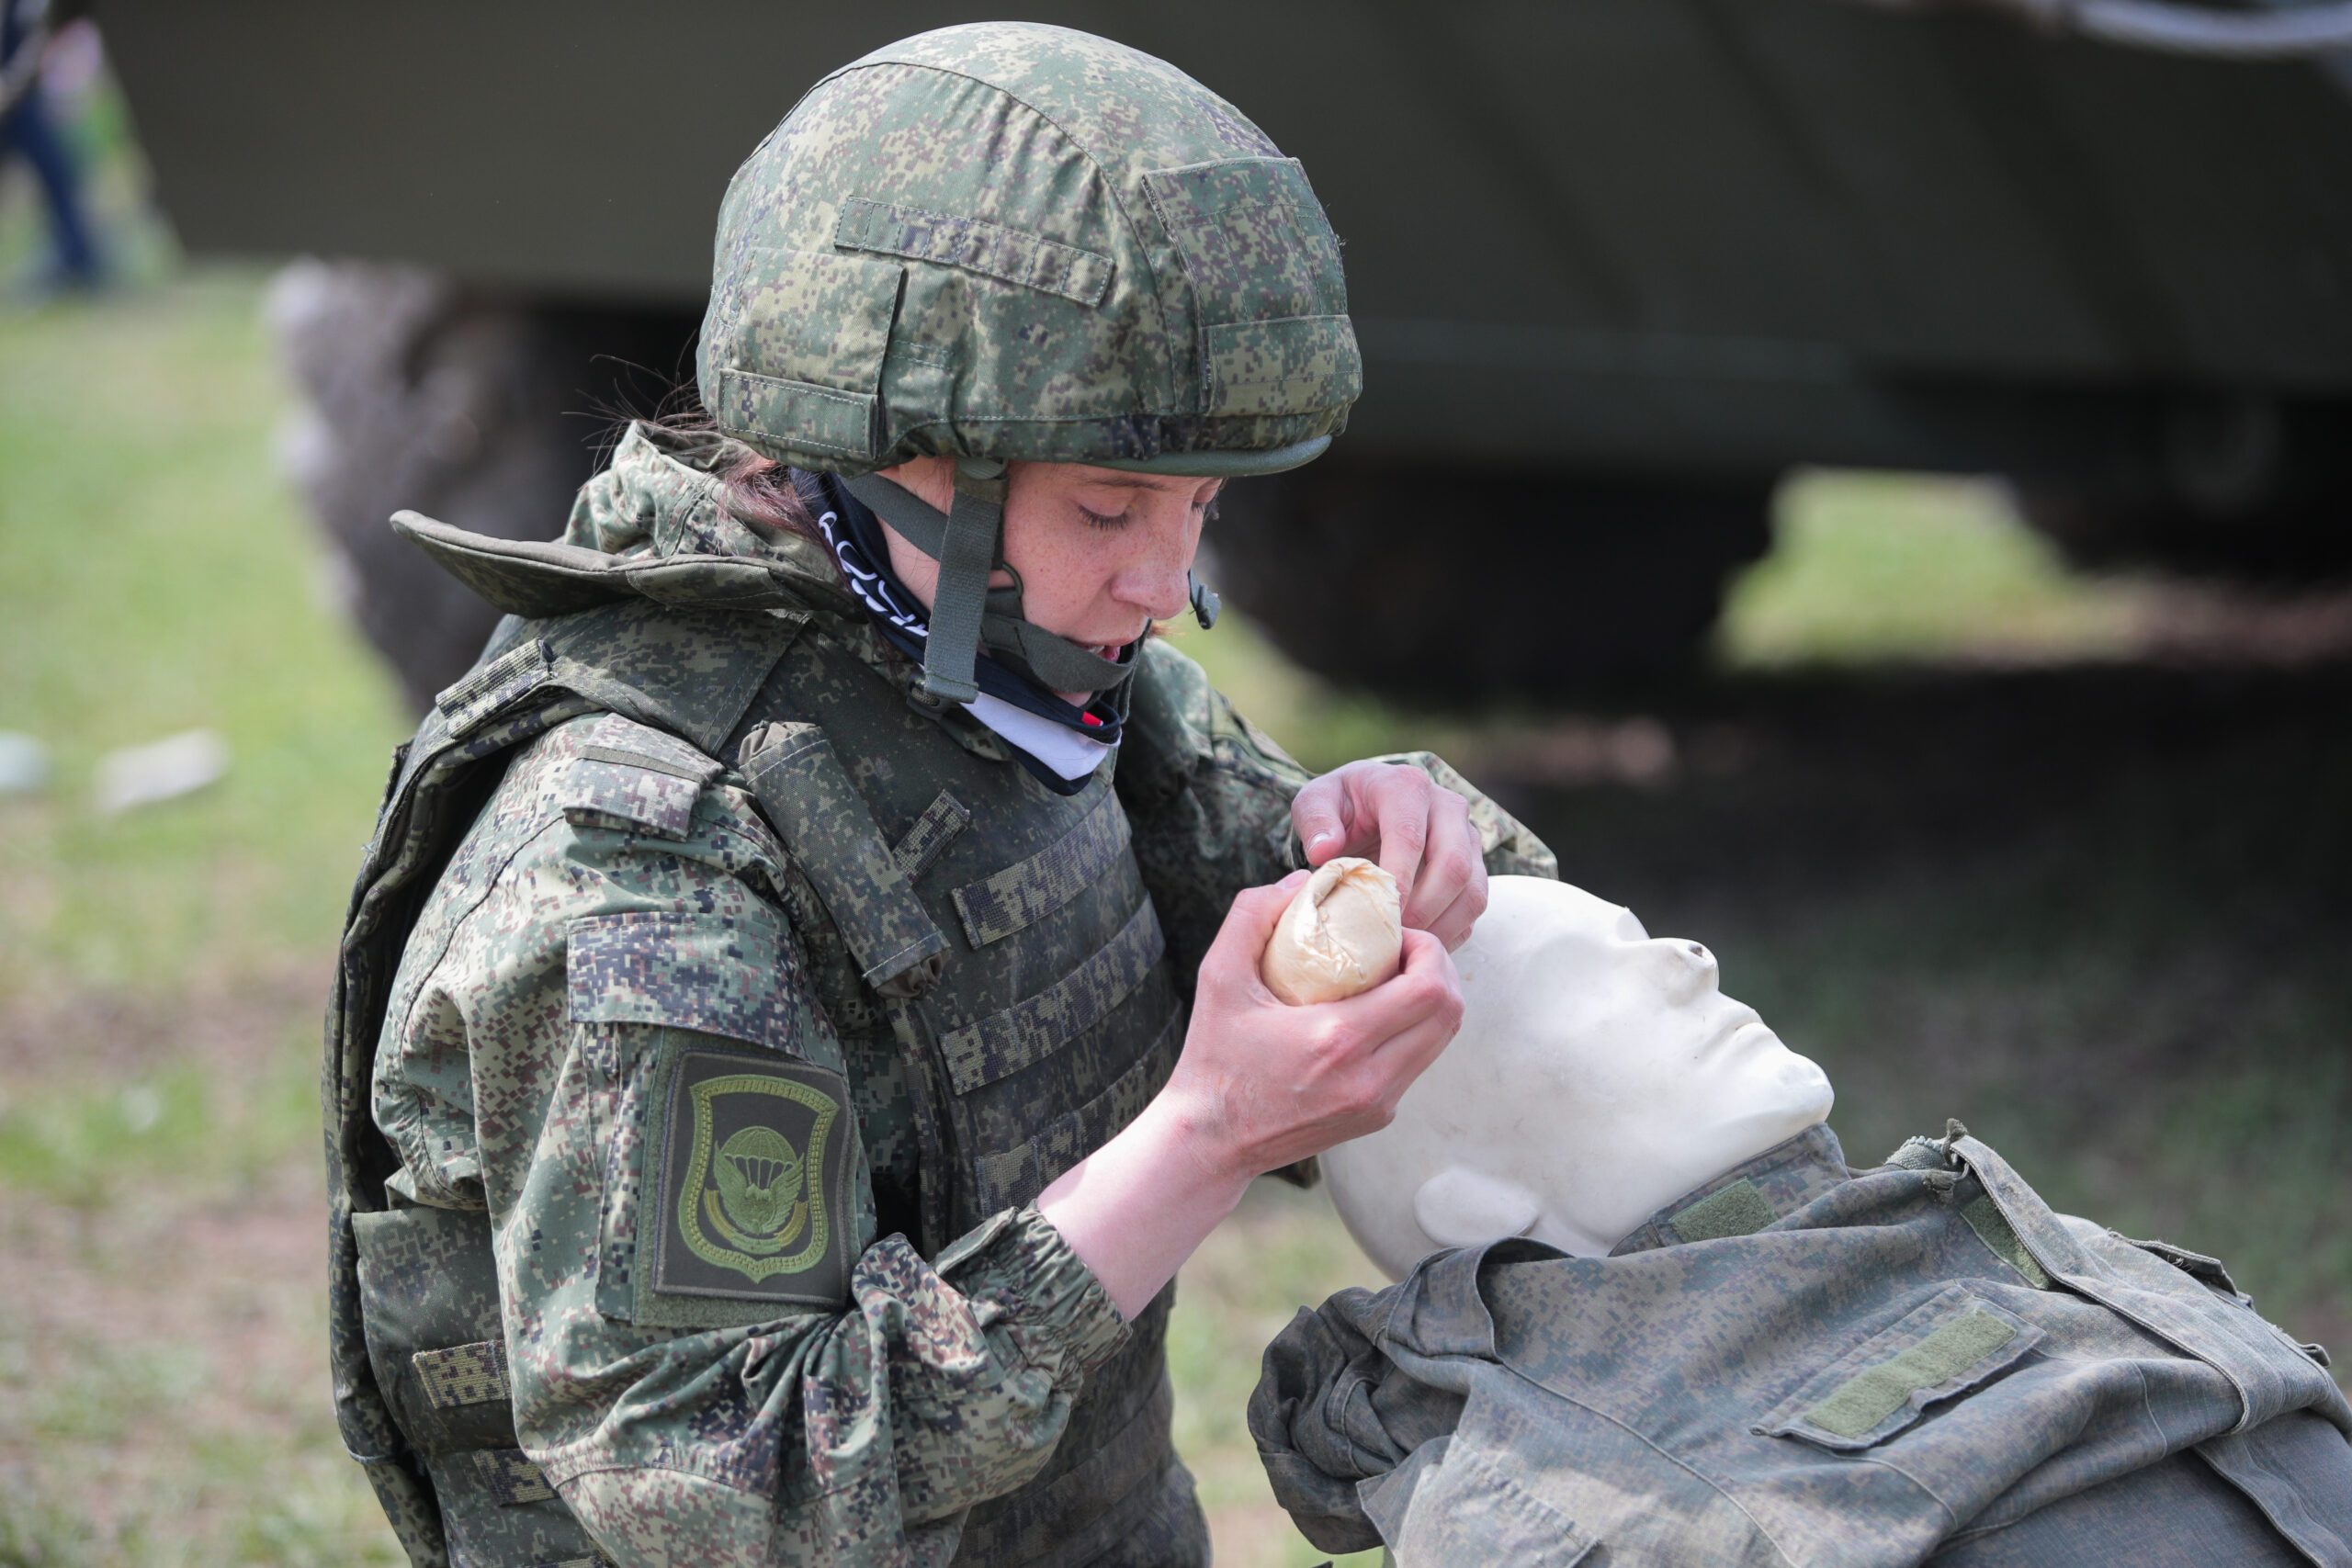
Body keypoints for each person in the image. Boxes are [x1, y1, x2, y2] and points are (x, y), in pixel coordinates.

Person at [322, 22, 1555, 1568]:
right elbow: (732, 1492)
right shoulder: (644, 864)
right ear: (899, 456)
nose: (1168, 579)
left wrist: (1415, 840)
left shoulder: (1042, 677)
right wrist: (1206, 1137)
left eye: (1203, 506)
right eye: (1111, 505)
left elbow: (1363, 943)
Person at [1252, 877, 2352, 1566]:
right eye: (1590, 978)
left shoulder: (1992, 1233)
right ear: (1478, 1206)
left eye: (1645, 938)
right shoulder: (1545, 1509)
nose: (1688, 961)